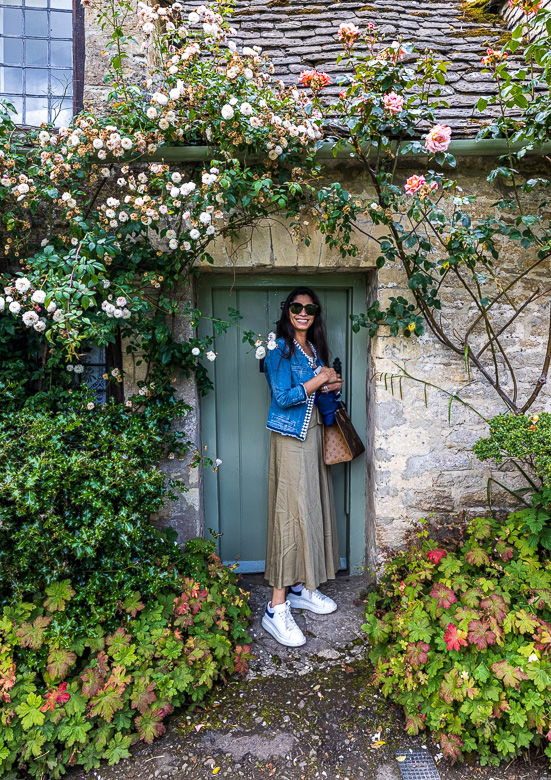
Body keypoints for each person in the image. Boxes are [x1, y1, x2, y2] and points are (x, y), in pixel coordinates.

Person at [261, 286, 343, 647]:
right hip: (290, 439)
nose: (303, 312)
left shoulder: (313, 349)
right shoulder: (278, 349)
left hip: (312, 439)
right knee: (288, 515)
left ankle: (299, 588)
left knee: (309, 509)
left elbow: (316, 389)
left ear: (316, 313)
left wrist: (330, 383)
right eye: (297, 306)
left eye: (310, 308)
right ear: (288, 311)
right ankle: (275, 608)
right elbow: (284, 396)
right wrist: (319, 380)